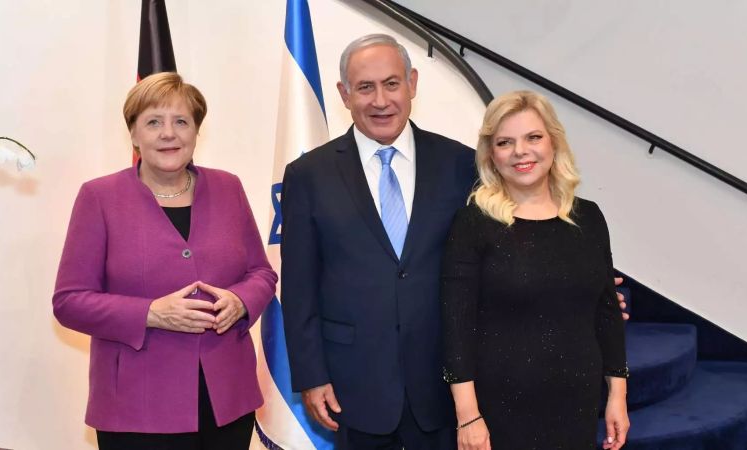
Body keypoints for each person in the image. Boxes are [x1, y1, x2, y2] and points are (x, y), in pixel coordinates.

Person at [52, 72, 277, 450]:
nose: (168, 134)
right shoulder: (99, 197)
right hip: (137, 407)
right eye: (153, 122)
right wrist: (151, 313)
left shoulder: (228, 187)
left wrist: (240, 301)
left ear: (196, 132)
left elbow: (261, 273)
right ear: (134, 134)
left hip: (227, 400)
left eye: (181, 122)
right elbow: (69, 301)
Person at [280, 33, 477, 449]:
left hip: (444, 382)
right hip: (353, 384)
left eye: (391, 83)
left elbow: (491, 262)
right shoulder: (308, 176)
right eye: (365, 87)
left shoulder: (460, 164)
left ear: (413, 84)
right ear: (344, 94)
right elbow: (299, 288)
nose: (381, 100)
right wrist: (312, 375)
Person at [441, 90, 630, 450]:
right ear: (492, 155)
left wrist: (617, 394)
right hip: (500, 411)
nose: (520, 151)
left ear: (554, 143)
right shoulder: (473, 223)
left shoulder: (588, 217)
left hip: (577, 403)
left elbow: (607, 314)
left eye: (533, 137)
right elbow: (456, 326)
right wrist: (468, 416)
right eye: (505, 142)